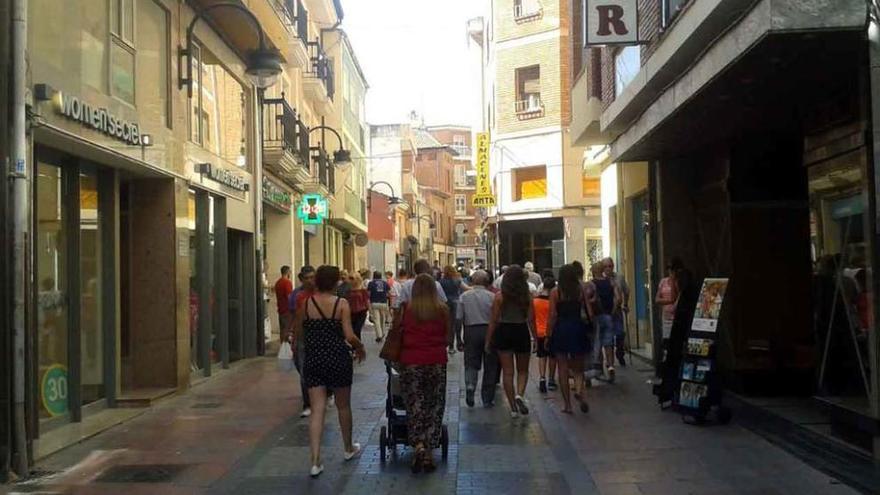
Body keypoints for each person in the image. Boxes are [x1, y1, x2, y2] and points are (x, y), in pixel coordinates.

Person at [291, 265, 365, 477]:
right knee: (343, 406)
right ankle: (348, 447)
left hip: (314, 360)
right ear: (334, 283)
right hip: (338, 358)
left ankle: (315, 460)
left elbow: (299, 333)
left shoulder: (306, 304)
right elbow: (349, 335)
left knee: (317, 409)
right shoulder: (341, 304)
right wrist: (359, 347)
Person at [399, 274, 449, 474]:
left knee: (414, 404)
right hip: (436, 360)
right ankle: (428, 449)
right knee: (434, 404)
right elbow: (448, 336)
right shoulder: (442, 310)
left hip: (411, 361)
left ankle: (418, 444)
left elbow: (398, 332)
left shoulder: (407, 310)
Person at [485, 265, 537, 418]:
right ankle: (519, 394)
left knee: (508, 373)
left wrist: (488, 340)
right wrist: (535, 338)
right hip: (521, 331)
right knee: (522, 370)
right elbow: (531, 319)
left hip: (504, 331)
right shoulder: (527, 296)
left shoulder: (500, 296)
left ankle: (513, 409)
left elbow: (493, 320)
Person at [547, 265, 590, 413]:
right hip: (577, 327)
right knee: (578, 366)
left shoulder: (555, 292)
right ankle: (579, 390)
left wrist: (548, 334)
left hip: (561, 329)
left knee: (563, 368)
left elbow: (552, 315)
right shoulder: (580, 290)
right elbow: (589, 311)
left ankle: (567, 405)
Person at [460, 270, 499, 408]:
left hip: (471, 330)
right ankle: (487, 398)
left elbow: (459, 318)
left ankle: (470, 385)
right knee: (490, 365)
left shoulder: (464, 296)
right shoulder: (492, 296)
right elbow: (497, 317)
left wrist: (458, 338)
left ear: (472, 281)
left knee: (471, 362)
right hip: (489, 330)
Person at [288, 266, 316, 418]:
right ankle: (308, 403)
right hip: (303, 338)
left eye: (313, 277)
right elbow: (294, 316)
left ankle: (322, 396)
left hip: (318, 339)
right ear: (301, 279)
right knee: (303, 371)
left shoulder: (321, 293)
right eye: (307, 278)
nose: (310, 281)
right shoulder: (297, 296)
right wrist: (291, 334)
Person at [589, 262, 621, 382]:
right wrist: (612, 311)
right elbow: (618, 298)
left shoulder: (592, 284)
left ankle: (600, 369)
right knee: (608, 343)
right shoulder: (610, 282)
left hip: (597, 317)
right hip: (608, 316)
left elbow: (590, 299)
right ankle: (611, 366)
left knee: (597, 343)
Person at [603, 258, 630, 367]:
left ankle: (620, 353)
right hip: (605, 311)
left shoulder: (619, 277)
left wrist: (626, 304)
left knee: (620, 334)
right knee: (608, 337)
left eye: (610, 266)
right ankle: (610, 360)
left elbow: (626, 291)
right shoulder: (601, 279)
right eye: (606, 266)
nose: (609, 268)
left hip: (617, 310)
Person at [533, 273, 557, 394]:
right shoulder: (554, 302)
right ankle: (551, 379)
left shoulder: (535, 301)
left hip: (539, 332)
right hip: (552, 331)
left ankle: (542, 378)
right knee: (552, 356)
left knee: (541, 356)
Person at [440, 265, 469, 354]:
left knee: (449, 325)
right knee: (458, 324)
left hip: (446, 303)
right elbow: (466, 288)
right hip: (456, 302)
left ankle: (451, 346)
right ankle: (459, 342)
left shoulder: (441, 281)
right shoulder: (457, 280)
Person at [656, 258, 683, 342]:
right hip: (666, 316)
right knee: (666, 342)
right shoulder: (663, 281)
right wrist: (670, 301)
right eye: (669, 269)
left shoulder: (678, 282)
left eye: (672, 269)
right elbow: (657, 299)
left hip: (675, 317)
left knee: (675, 341)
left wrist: (673, 282)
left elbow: (675, 296)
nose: (670, 271)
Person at [345, 271, 370, 341]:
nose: (350, 280)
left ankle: (358, 346)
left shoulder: (362, 290)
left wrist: (370, 312)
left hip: (361, 312)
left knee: (357, 329)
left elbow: (367, 301)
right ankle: (356, 347)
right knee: (353, 331)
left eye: (352, 278)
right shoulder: (348, 290)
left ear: (357, 279)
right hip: (351, 313)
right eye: (350, 278)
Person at [367, 271, 391, 342]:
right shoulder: (385, 283)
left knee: (376, 319)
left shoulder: (371, 283)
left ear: (373, 276)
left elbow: (368, 294)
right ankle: (383, 333)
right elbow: (389, 293)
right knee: (382, 318)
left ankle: (379, 335)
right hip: (383, 303)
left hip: (374, 302)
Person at [274, 266, 294, 340]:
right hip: (287, 310)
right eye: (290, 271)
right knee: (288, 330)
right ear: (288, 272)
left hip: (280, 309)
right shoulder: (287, 282)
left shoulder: (278, 282)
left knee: (282, 330)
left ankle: (282, 347)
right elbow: (289, 297)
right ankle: (287, 349)